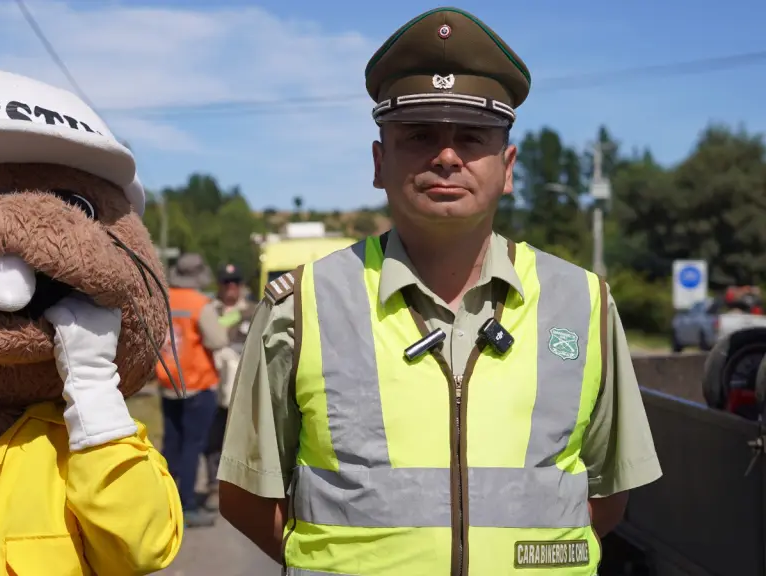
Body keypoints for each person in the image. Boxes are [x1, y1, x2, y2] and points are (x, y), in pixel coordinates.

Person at [217, 7, 663, 575]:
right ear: (379, 162)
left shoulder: (584, 303)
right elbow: (247, 496)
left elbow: (607, 496)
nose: (447, 156)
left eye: (471, 137)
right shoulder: (300, 307)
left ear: (508, 167)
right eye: (419, 135)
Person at [155, 253, 229, 528]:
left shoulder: (163, 300)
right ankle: (187, 506)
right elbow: (217, 340)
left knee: (171, 444)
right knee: (192, 446)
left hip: (168, 381)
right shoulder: (200, 304)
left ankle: (163, 501)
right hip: (196, 384)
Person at [202, 263, 255, 509]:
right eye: (226, 283)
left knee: (244, 440)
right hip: (213, 384)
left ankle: (244, 487)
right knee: (213, 439)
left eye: (235, 283)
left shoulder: (253, 310)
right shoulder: (208, 310)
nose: (230, 287)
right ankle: (214, 486)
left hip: (243, 387)